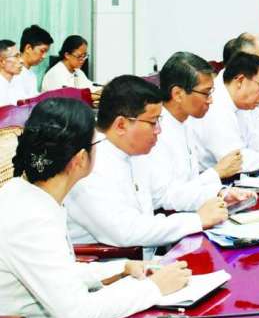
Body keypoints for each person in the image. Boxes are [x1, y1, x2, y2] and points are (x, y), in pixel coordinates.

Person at [0, 98, 191, 318]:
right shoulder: (30, 218)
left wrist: (121, 268)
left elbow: (58, 272)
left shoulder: (28, 194)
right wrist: (154, 288)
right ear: (80, 159)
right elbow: (78, 314)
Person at [65, 75, 229, 253]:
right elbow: (126, 231)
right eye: (153, 122)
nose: (158, 130)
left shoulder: (133, 151)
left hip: (145, 258)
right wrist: (197, 220)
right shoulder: (88, 165)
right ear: (121, 125)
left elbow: (165, 194)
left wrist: (219, 194)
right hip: (112, 263)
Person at [135, 52, 255, 209]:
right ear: (178, 94)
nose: (210, 100)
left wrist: (222, 193)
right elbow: (163, 199)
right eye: (206, 93)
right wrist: (216, 174)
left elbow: (189, 185)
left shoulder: (186, 121)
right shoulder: (155, 131)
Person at [17, 24, 53, 98]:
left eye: (46, 52)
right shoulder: (13, 72)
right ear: (28, 48)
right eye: (42, 51)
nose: (44, 56)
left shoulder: (32, 75)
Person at [0, 40, 25, 107]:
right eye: (16, 56)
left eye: (20, 56)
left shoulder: (18, 81)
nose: (21, 61)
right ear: (2, 61)